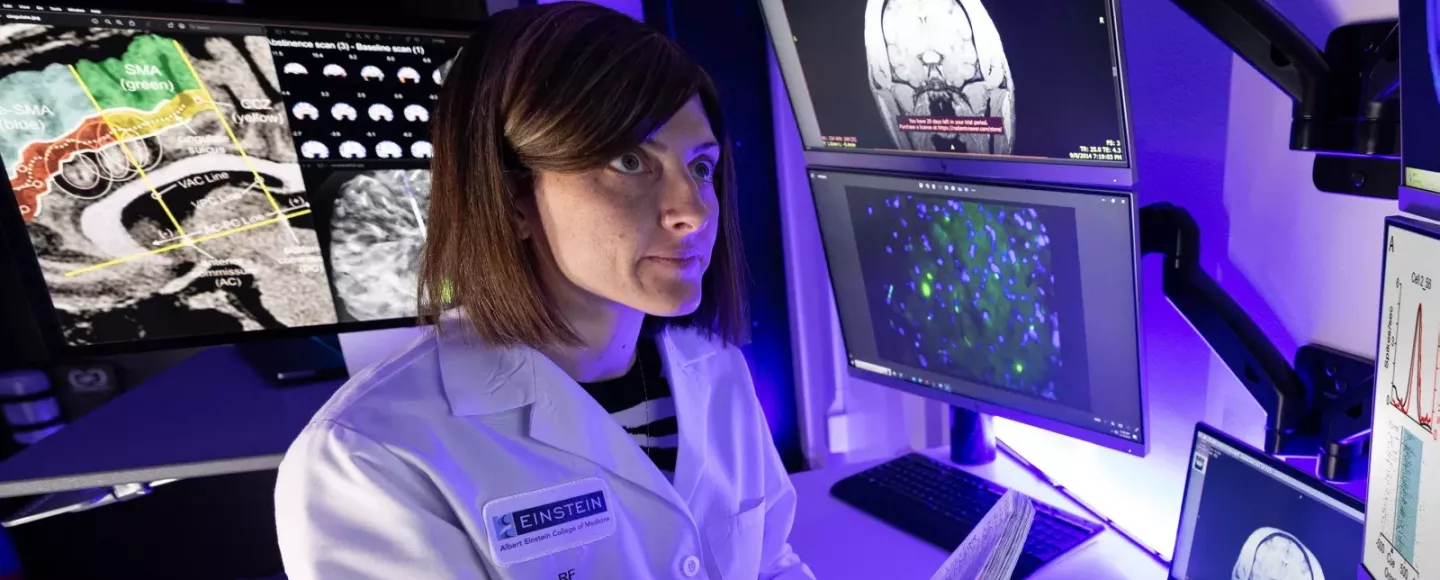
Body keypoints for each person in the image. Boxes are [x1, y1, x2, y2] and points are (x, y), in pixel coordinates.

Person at [273, 3, 814, 579]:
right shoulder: (371, 458)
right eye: (631, 161)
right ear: (512, 198)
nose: (695, 211)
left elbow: (769, 562)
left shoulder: (717, 371)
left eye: (701, 167)